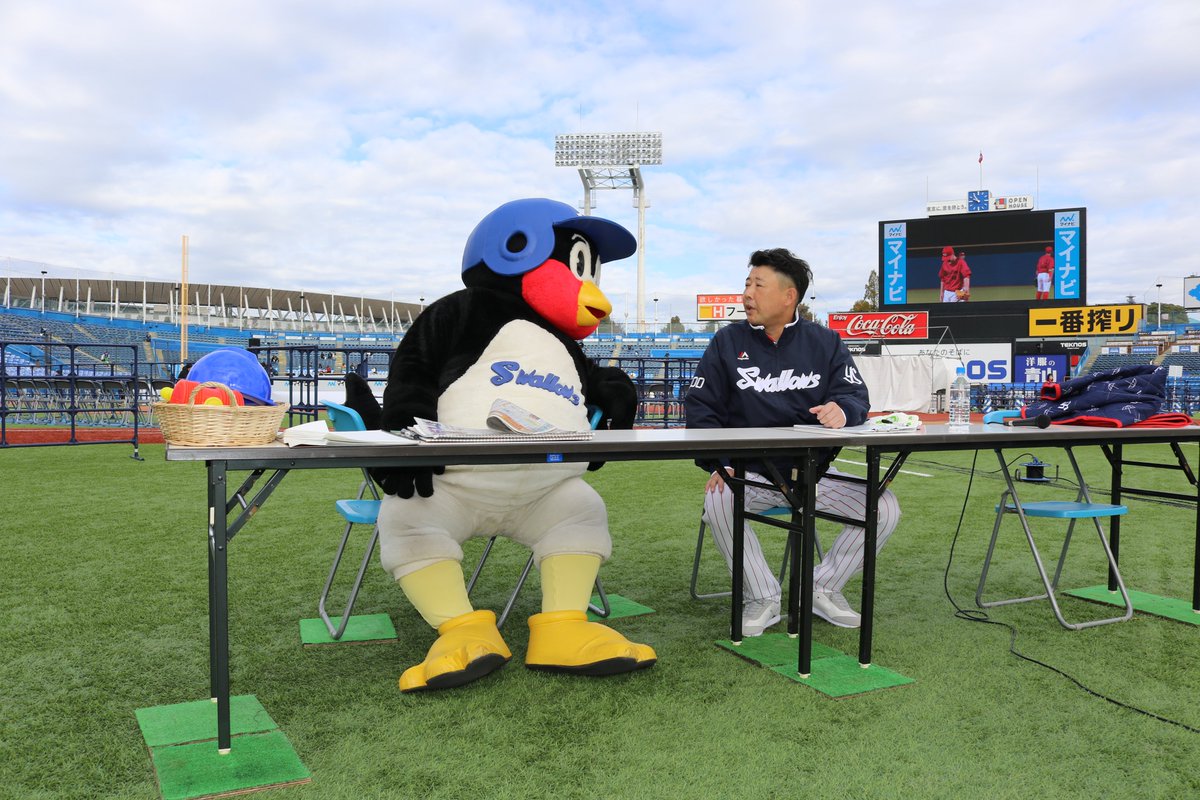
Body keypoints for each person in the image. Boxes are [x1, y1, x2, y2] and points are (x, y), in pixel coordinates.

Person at [685, 248, 901, 635]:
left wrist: (842, 410)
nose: (747, 294)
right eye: (747, 284)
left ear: (789, 296)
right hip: (749, 474)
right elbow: (701, 409)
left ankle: (821, 588)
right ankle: (763, 597)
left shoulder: (825, 342)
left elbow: (856, 397)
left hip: (812, 474)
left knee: (884, 506)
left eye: (758, 285)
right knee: (718, 499)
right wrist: (721, 462)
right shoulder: (726, 341)